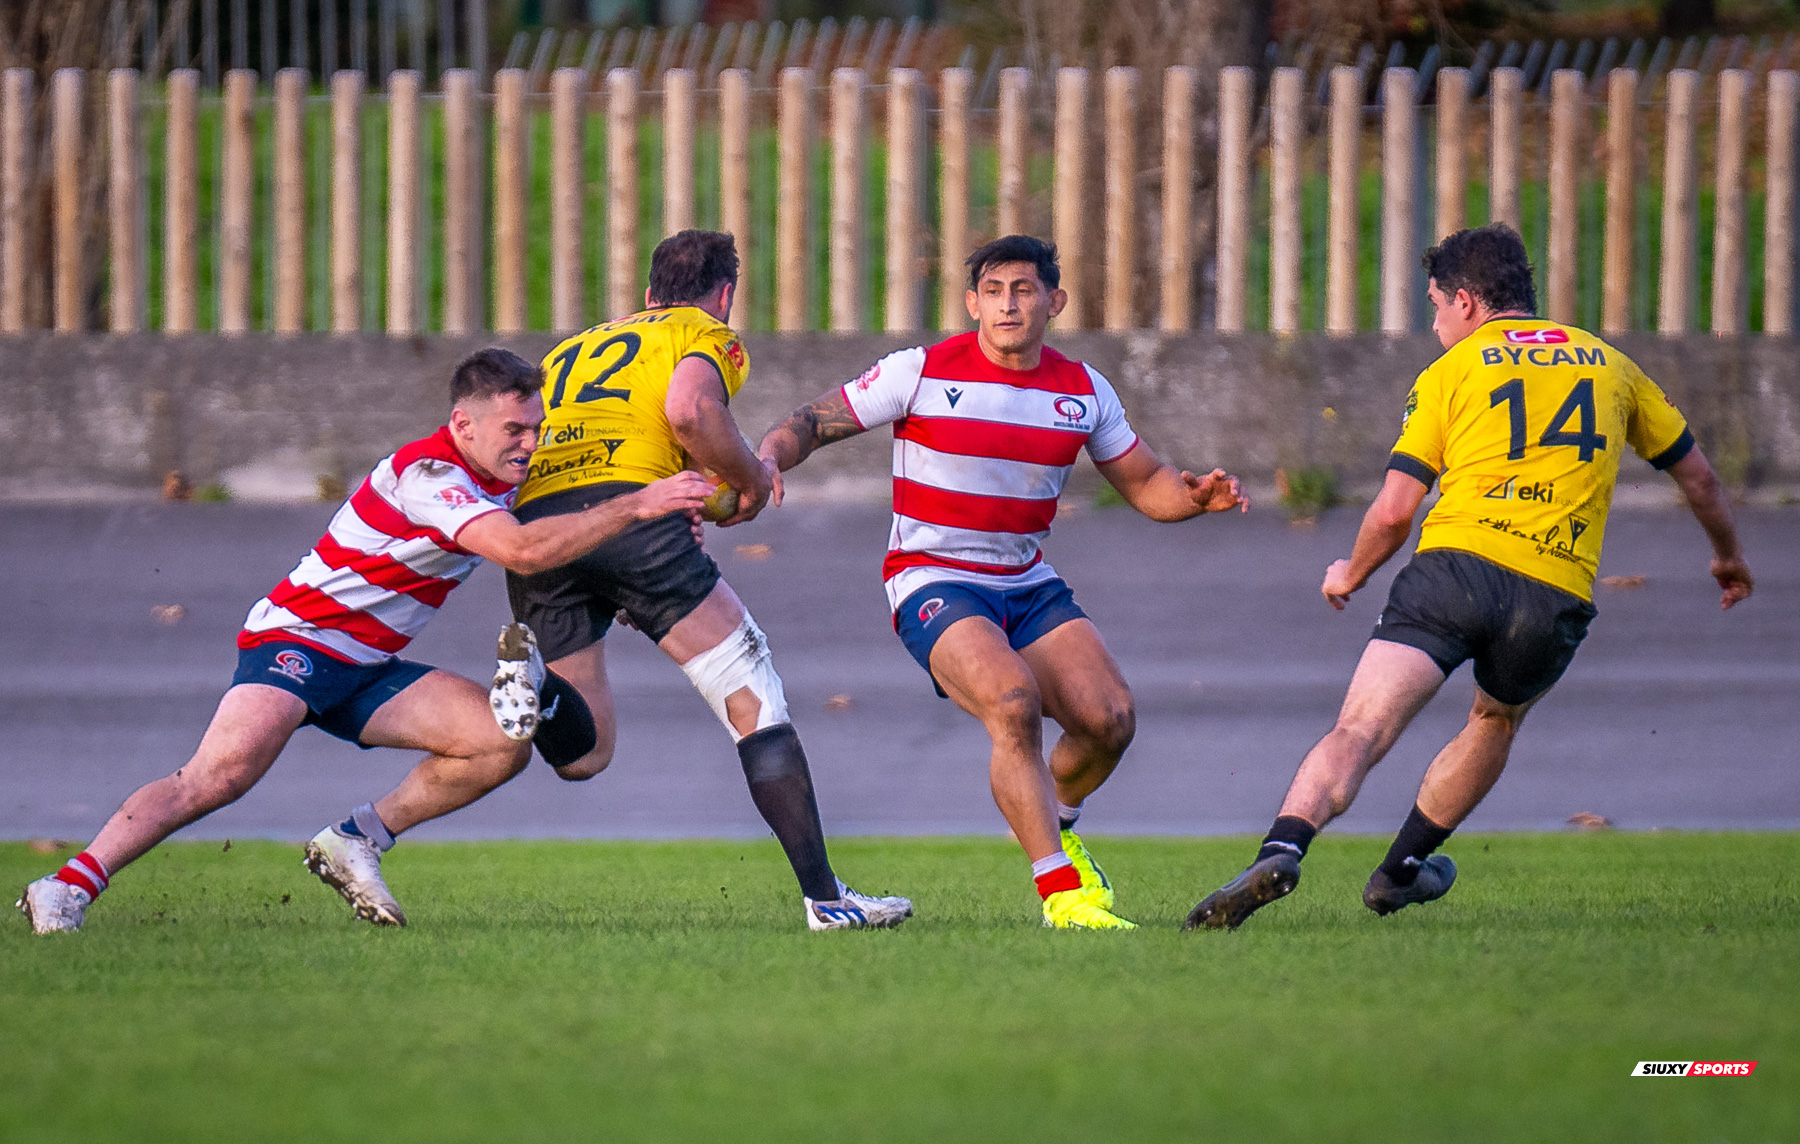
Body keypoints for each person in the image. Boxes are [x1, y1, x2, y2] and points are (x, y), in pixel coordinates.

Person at [18, 349, 711, 935]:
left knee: (501, 743)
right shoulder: (430, 477)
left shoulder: (505, 474)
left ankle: (354, 840)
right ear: (462, 424)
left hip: (368, 664)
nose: (529, 443)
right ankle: (66, 887)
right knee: (220, 776)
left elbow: (565, 538)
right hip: (299, 640)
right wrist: (640, 505)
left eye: (535, 427)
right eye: (513, 429)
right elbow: (525, 553)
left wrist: (622, 578)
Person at [1186, 224, 1755, 931]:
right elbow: (1698, 478)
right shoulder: (1611, 365)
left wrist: (1350, 572)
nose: (1433, 325)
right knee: (1494, 718)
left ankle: (1283, 847)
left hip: (1453, 570)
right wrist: (1727, 557)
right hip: (1553, 588)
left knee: (1361, 728)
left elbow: (1396, 510)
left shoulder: (1452, 372)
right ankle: (1399, 874)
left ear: (1466, 301)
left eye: (1434, 307)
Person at [758, 235, 1248, 930]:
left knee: (1110, 722)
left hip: (1025, 581)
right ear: (972, 304)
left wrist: (1198, 497)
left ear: (1055, 301)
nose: (1008, 304)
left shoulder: (1082, 391)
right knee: (1012, 702)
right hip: (931, 578)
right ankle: (1063, 895)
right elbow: (811, 421)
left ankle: (1059, 821)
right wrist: (769, 458)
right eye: (993, 291)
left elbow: (1147, 485)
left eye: (1022, 290)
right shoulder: (921, 371)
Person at [503, 228, 912, 932]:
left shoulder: (570, 348)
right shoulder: (704, 331)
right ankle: (826, 900)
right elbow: (690, 411)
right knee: (752, 690)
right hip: (633, 515)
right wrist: (750, 481)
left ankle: (533, 684)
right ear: (725, 294)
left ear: (646, 294)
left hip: (539, 524)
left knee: (586, 751)